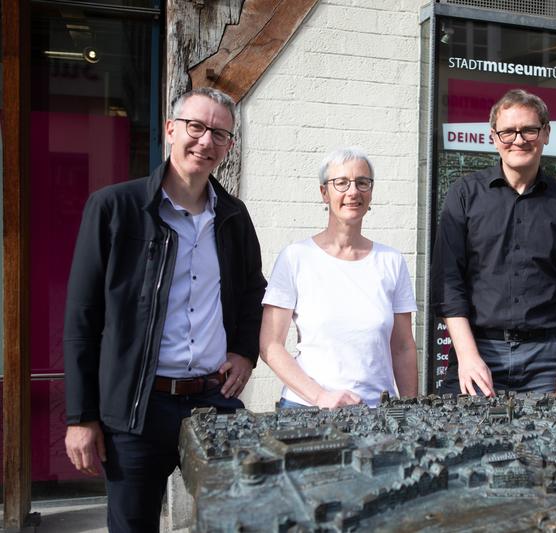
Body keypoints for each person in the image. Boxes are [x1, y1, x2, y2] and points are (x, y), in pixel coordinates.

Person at [63, 87, 266, 532]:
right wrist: (81, 416)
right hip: (138, 408)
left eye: (219, 133)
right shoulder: (115, 208)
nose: (205, 141)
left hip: (214, 402)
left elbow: (253, 291)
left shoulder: (234, 216)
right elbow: (82, 315)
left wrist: (245, 352)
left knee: (239, 520)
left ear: (229, 147)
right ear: (171, 129)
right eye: (196, 127)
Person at [431, 89, 556, 398]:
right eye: (507, 132)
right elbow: (448, 281)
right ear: (494, 137)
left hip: (546, 360)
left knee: (548, 446)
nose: (518, 140)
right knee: (459, 441)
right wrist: (466, 356)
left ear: (546, 133)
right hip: (477, 351)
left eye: (529, 129)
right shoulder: (465, 195)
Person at [260, 147, 418, 408]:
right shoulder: (296, 257)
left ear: (371, 191)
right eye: (341, 183)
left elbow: (402, 347)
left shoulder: (391, 261)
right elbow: (270, 345)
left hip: (376, 412)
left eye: (362, 182)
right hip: (307, 409)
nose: (353, 191)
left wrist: (410, 409)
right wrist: (321, 396)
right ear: (324, 192)